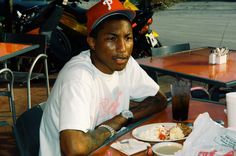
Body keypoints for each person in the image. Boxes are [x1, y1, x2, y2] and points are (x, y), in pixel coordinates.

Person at [39, 0, 167, 155]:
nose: (122, 48)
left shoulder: (126, 63)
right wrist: (118, 121)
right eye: (112, 38)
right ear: (92, 42)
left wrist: (126, 116)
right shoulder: (78, 76)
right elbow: (74, 149)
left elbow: (159, 99)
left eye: (127, 38)